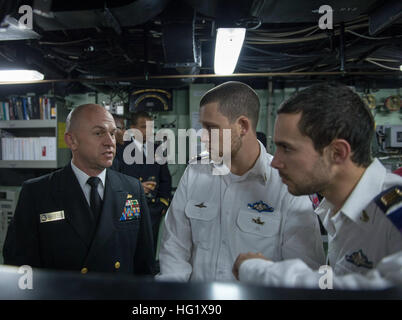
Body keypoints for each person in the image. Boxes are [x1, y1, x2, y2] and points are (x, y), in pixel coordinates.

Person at [233, 83, 402, 289]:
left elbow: (387, 289)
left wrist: (260, 271)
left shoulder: (394, 211)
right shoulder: (336, 210)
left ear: (337, 153)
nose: (275, 162)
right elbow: (333, 284)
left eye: (287, 148)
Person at [156, 81, 325, 282]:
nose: (203, 137)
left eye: (211, 128)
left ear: (242, 126)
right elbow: (174, 246)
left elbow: (304, 271)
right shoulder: (195, 172)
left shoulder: (285, 184)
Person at [3, 104, 155, 276]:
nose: (109, 142)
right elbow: (19, 263)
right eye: (99, 133)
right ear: (71, 140)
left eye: (112, 133)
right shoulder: (37, 192)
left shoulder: (132, 189)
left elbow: (145, 263)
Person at [117, 112, 172, 254]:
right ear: (132, 128)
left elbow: (165, 179)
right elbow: (115, 177)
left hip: (153, 207)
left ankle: (148, 275)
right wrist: (136, 187)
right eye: (143, 127)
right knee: (130, 245)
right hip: (130, 203)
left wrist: (163, 203)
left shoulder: (157, 150)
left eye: (150, 127)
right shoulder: (120, 150)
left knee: (150, 246)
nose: (148, 131)